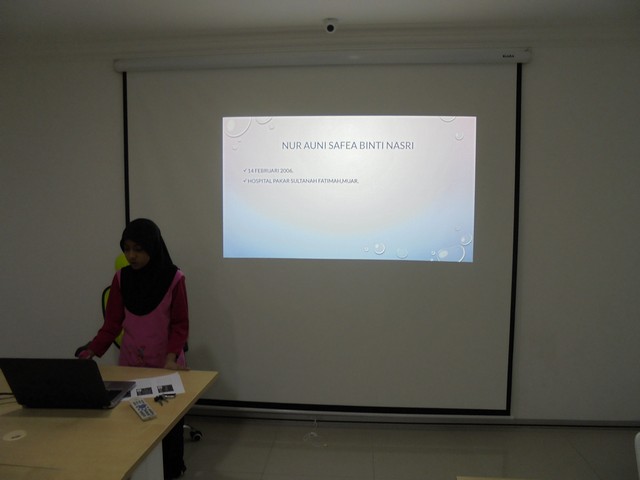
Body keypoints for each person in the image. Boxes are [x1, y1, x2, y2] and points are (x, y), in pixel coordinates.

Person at [76, 218, 189, 479]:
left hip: (166, 364)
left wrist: (171, 358)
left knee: (167, 423)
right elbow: (112, 324)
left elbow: (180, 325)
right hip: (130, 363)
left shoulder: (174, 278)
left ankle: (171, 471)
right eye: (126, 249)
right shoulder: (121, 278)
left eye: (138, 249)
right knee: (132, 421)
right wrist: (91, 350)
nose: (131, 255)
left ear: (152, 247)